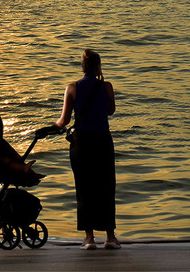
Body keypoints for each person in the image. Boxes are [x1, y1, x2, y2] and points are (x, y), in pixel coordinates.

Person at [55, 49, 119, 250]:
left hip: (81, 141)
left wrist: (50, 128)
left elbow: (64, 121)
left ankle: (89, 238)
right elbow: (110, 111)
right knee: (106, 187)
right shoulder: (107, 87)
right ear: (99, 66)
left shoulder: (71, 88)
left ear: (82, 67)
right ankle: (110, 236)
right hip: (102, 140)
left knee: (84, 188)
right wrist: (101, 81)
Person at [0, 99, 44, 186]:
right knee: (7, 160)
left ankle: (28, 171)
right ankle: (25, 169)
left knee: (11, 156)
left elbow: (1, 143)